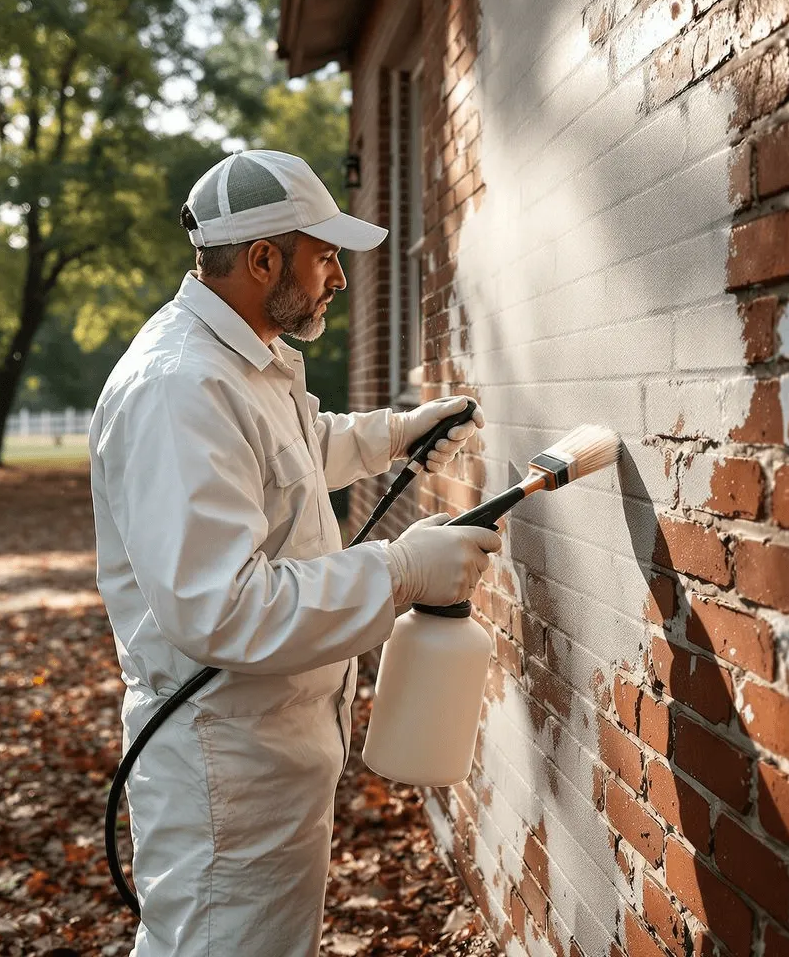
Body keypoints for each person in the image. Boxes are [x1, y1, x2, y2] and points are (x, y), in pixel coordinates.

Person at [88, 149, 502, 957]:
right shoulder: (180, 387)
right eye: (324, 255)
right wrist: (402, 570)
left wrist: (389, 434)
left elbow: (285, 457)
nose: (339, 278)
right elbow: (221, 607)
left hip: (267, 750)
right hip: (225, 768)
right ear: (262, 258)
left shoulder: (241, 363)